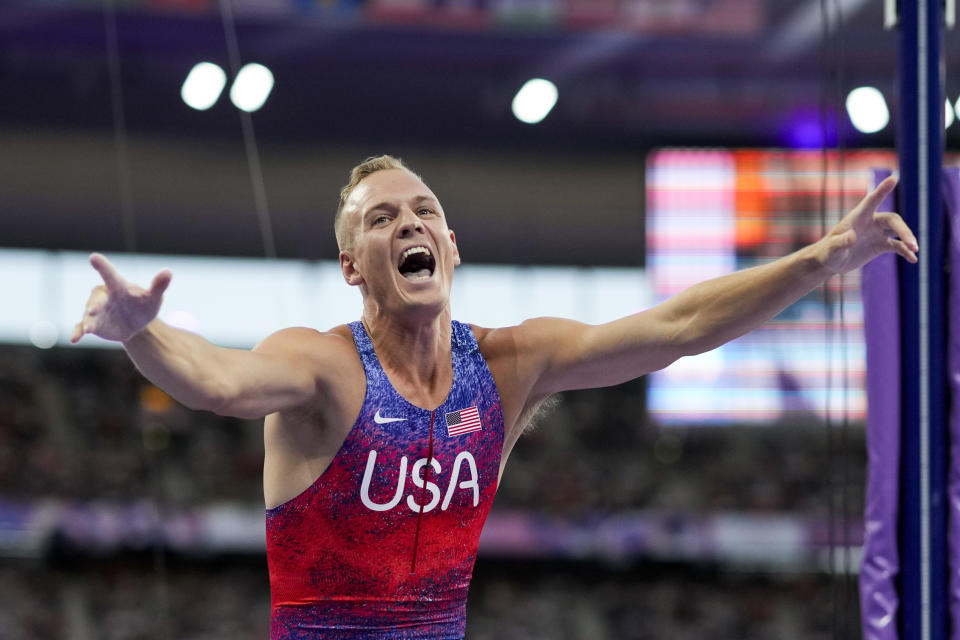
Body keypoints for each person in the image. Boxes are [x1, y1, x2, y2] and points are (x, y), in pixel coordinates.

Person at [71, 155, 917, 639]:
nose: (408, 223)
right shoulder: (323, 368)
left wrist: (819, 263)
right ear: (352, 266)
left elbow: (683, 325)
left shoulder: (513, 365)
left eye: (424, 210)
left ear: (450, 246)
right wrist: (141, 330)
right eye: (380, 219)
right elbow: (218, 381)